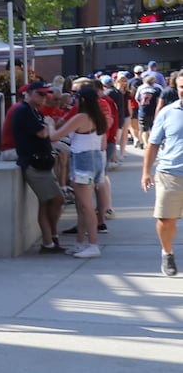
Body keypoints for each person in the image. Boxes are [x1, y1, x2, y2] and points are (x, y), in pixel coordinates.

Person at [49, 85, 108, 259]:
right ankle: (81, 243)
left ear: (81, 100)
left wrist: (50, 124)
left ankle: (93, 245)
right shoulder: (99, 117)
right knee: (82, 206)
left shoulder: (81, 117)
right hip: (95, 159)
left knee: (86, 207)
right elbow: (103, 143)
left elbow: (54, 136)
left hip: (83, 161)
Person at [10, 82, 65, 254]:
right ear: (30, 93)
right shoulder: (23, 111)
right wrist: (48, 124)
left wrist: (47, 126)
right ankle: (50, 239)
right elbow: (42, 133)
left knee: (47, 202)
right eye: (40, 94)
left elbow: (46, 132)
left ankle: (49, 241)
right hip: (34, 165)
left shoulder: (34, 111)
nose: (43, 98)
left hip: (42, 163)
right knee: (57, 199)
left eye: (45, 95)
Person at [144, 76, 183, 277]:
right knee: (166, 219)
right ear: (176, 88)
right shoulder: (167, 113)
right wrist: (146, 172)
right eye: (182, 87)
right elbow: (153, 143)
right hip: (170, 173)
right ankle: (167, 253)